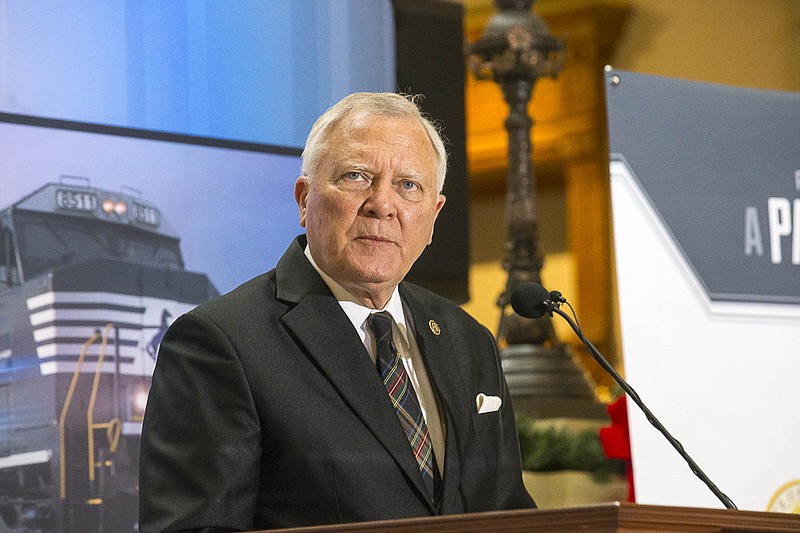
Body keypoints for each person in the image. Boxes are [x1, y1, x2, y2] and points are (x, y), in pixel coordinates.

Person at [139, 92, 535, 532]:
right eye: (356, 176)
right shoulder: (220, 344)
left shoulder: (468, 341)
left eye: (408, 186)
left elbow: (510, 511)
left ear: (434, 215)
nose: (383, 204)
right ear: (304, 200)